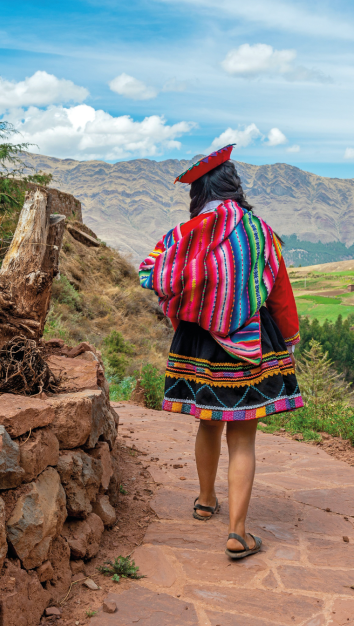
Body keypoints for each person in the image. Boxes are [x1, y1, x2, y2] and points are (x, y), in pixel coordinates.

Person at [139, 144, 303, 559]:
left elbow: (156, 271)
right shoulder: (261, 232)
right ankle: (238, 532)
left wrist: (190, 310)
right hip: (252, 341)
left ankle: (206, 499)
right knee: (243, 437)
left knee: (209, 422)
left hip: (199, 342)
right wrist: (289, 338)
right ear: (234, 187)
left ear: (200, 192)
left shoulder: (188, 233)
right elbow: (279, 291)